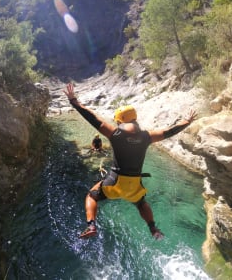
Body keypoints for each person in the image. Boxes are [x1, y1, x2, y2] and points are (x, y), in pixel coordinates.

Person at [64, 83, 197, 240]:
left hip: (115, 180)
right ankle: (153, 228)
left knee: (92, 196)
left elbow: (92, 117)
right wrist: (187, 121)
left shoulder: (115, 133)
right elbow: (169, 131)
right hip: (134, 184)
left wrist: (74, 101)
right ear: (134, 119)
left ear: (120, 120)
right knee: (141, 203)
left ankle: (92, 225)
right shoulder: (148, 136)